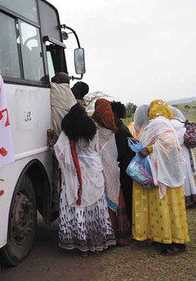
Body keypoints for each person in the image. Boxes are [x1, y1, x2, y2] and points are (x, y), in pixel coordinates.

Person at [54, 103, 116, 253]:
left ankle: (80, 241)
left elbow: (60, 152)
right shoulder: (92, 128)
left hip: (75, 174)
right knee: (95, 206)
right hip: (93, 170)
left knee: (77, 205)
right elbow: (95, 149)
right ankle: (97, 241)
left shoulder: (66, 132)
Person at [132, 99, 189, 255]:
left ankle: (176, 242)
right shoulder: (164, 122)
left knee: (168, 207)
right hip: (166, 172)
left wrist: (149, 148)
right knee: (166, 207)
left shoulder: (159, 123)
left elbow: (168, 143)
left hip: (166, 174)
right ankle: (164, 237)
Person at [92, 99, 130, 245]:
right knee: (115, 196)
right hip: (113, 169)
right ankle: (119, 235)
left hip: (100, 170)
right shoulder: (113, 129)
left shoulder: (94, 127)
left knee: (103, 200)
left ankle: (107, 234)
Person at [171, 107, 196, 208]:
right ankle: (194, 197)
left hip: (180, 153)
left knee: (183, 175)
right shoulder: (181, 122)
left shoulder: (173, 124)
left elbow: (177, 141)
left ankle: (185, 198)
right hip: (186, 152)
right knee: (188, 176)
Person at [111, 101, 135, 224]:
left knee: (127, 195)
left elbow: (121, 153)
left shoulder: (120, 131)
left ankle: (130, 224)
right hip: (127, 166)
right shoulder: (121, 127)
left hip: (127, 168)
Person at [49, 72, 77, 139]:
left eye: (55, 77)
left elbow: (42, 81)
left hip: (58, 133)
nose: (52, 78)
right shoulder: (71, 95)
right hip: (68, 134)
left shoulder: (56, 89)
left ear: (58, 80)